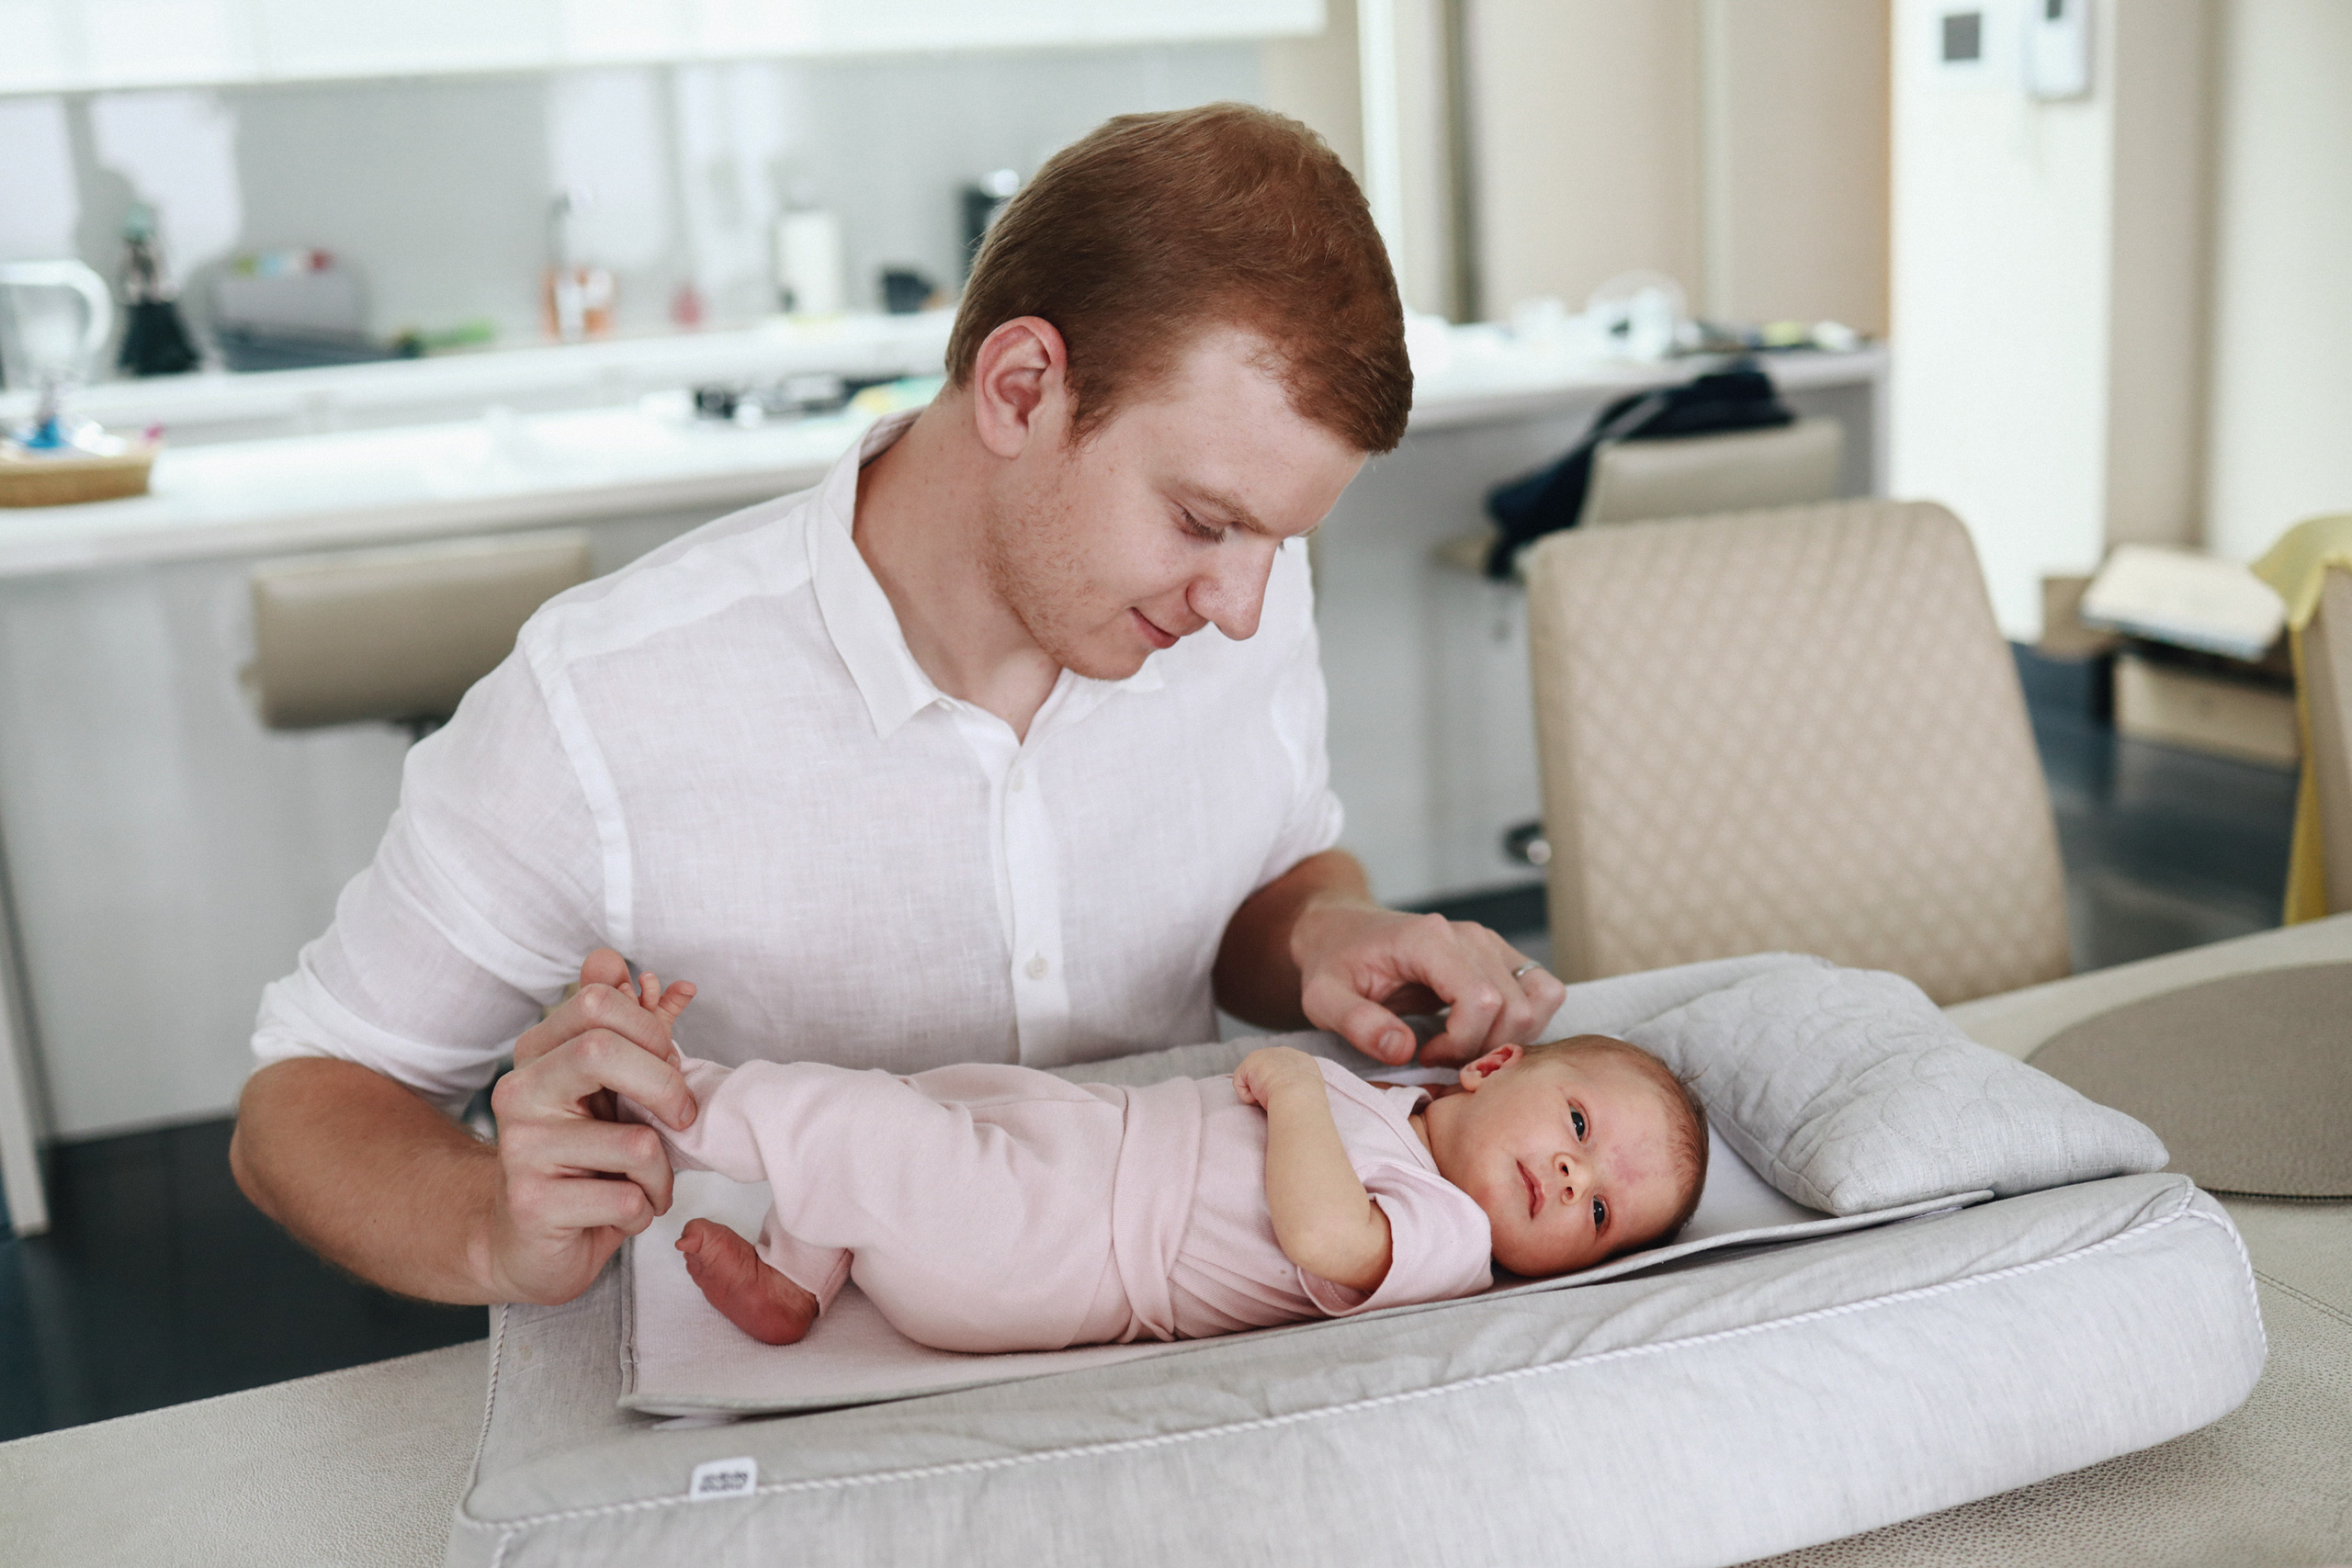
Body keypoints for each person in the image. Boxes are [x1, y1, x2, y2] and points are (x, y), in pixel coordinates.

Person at [230, 103, 1569, 1311]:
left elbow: (1264, 882)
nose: (1240, 603)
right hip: (786, 1360)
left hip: (1177, 1328)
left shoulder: (1242, 598)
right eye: (1205, 520)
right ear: (1022, 388)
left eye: (1279, 540)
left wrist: (1325, 928)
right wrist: (491, 1227)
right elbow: (307, 1097)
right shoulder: (602, 697)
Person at [603, 967, 1704, 1352]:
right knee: (917, 1105)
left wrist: (1293, 1091)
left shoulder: (1451, 1240)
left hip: (1064, 1250)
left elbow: (1326, 1236)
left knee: (868, 1132)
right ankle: (797, 1275)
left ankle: (670, 1100)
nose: (1575, 1181)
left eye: (1601, 1215)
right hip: (1085, 1151)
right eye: (1577, 1128)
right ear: (1492, 1065)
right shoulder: (1403, 1104)